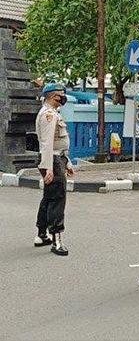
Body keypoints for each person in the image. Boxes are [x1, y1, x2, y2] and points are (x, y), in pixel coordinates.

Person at [34, 83, 73, 256]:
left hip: (57, 159)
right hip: (53, 160)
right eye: (60, 94)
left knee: (49, 197)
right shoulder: (48, 115)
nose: (63, 97)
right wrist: (48, 167)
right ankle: (56, 240)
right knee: (57, 199)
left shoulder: (53, 113)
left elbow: (59, 143)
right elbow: (47, 143)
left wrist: (68, 162)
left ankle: (42, 234)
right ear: (51, 96)